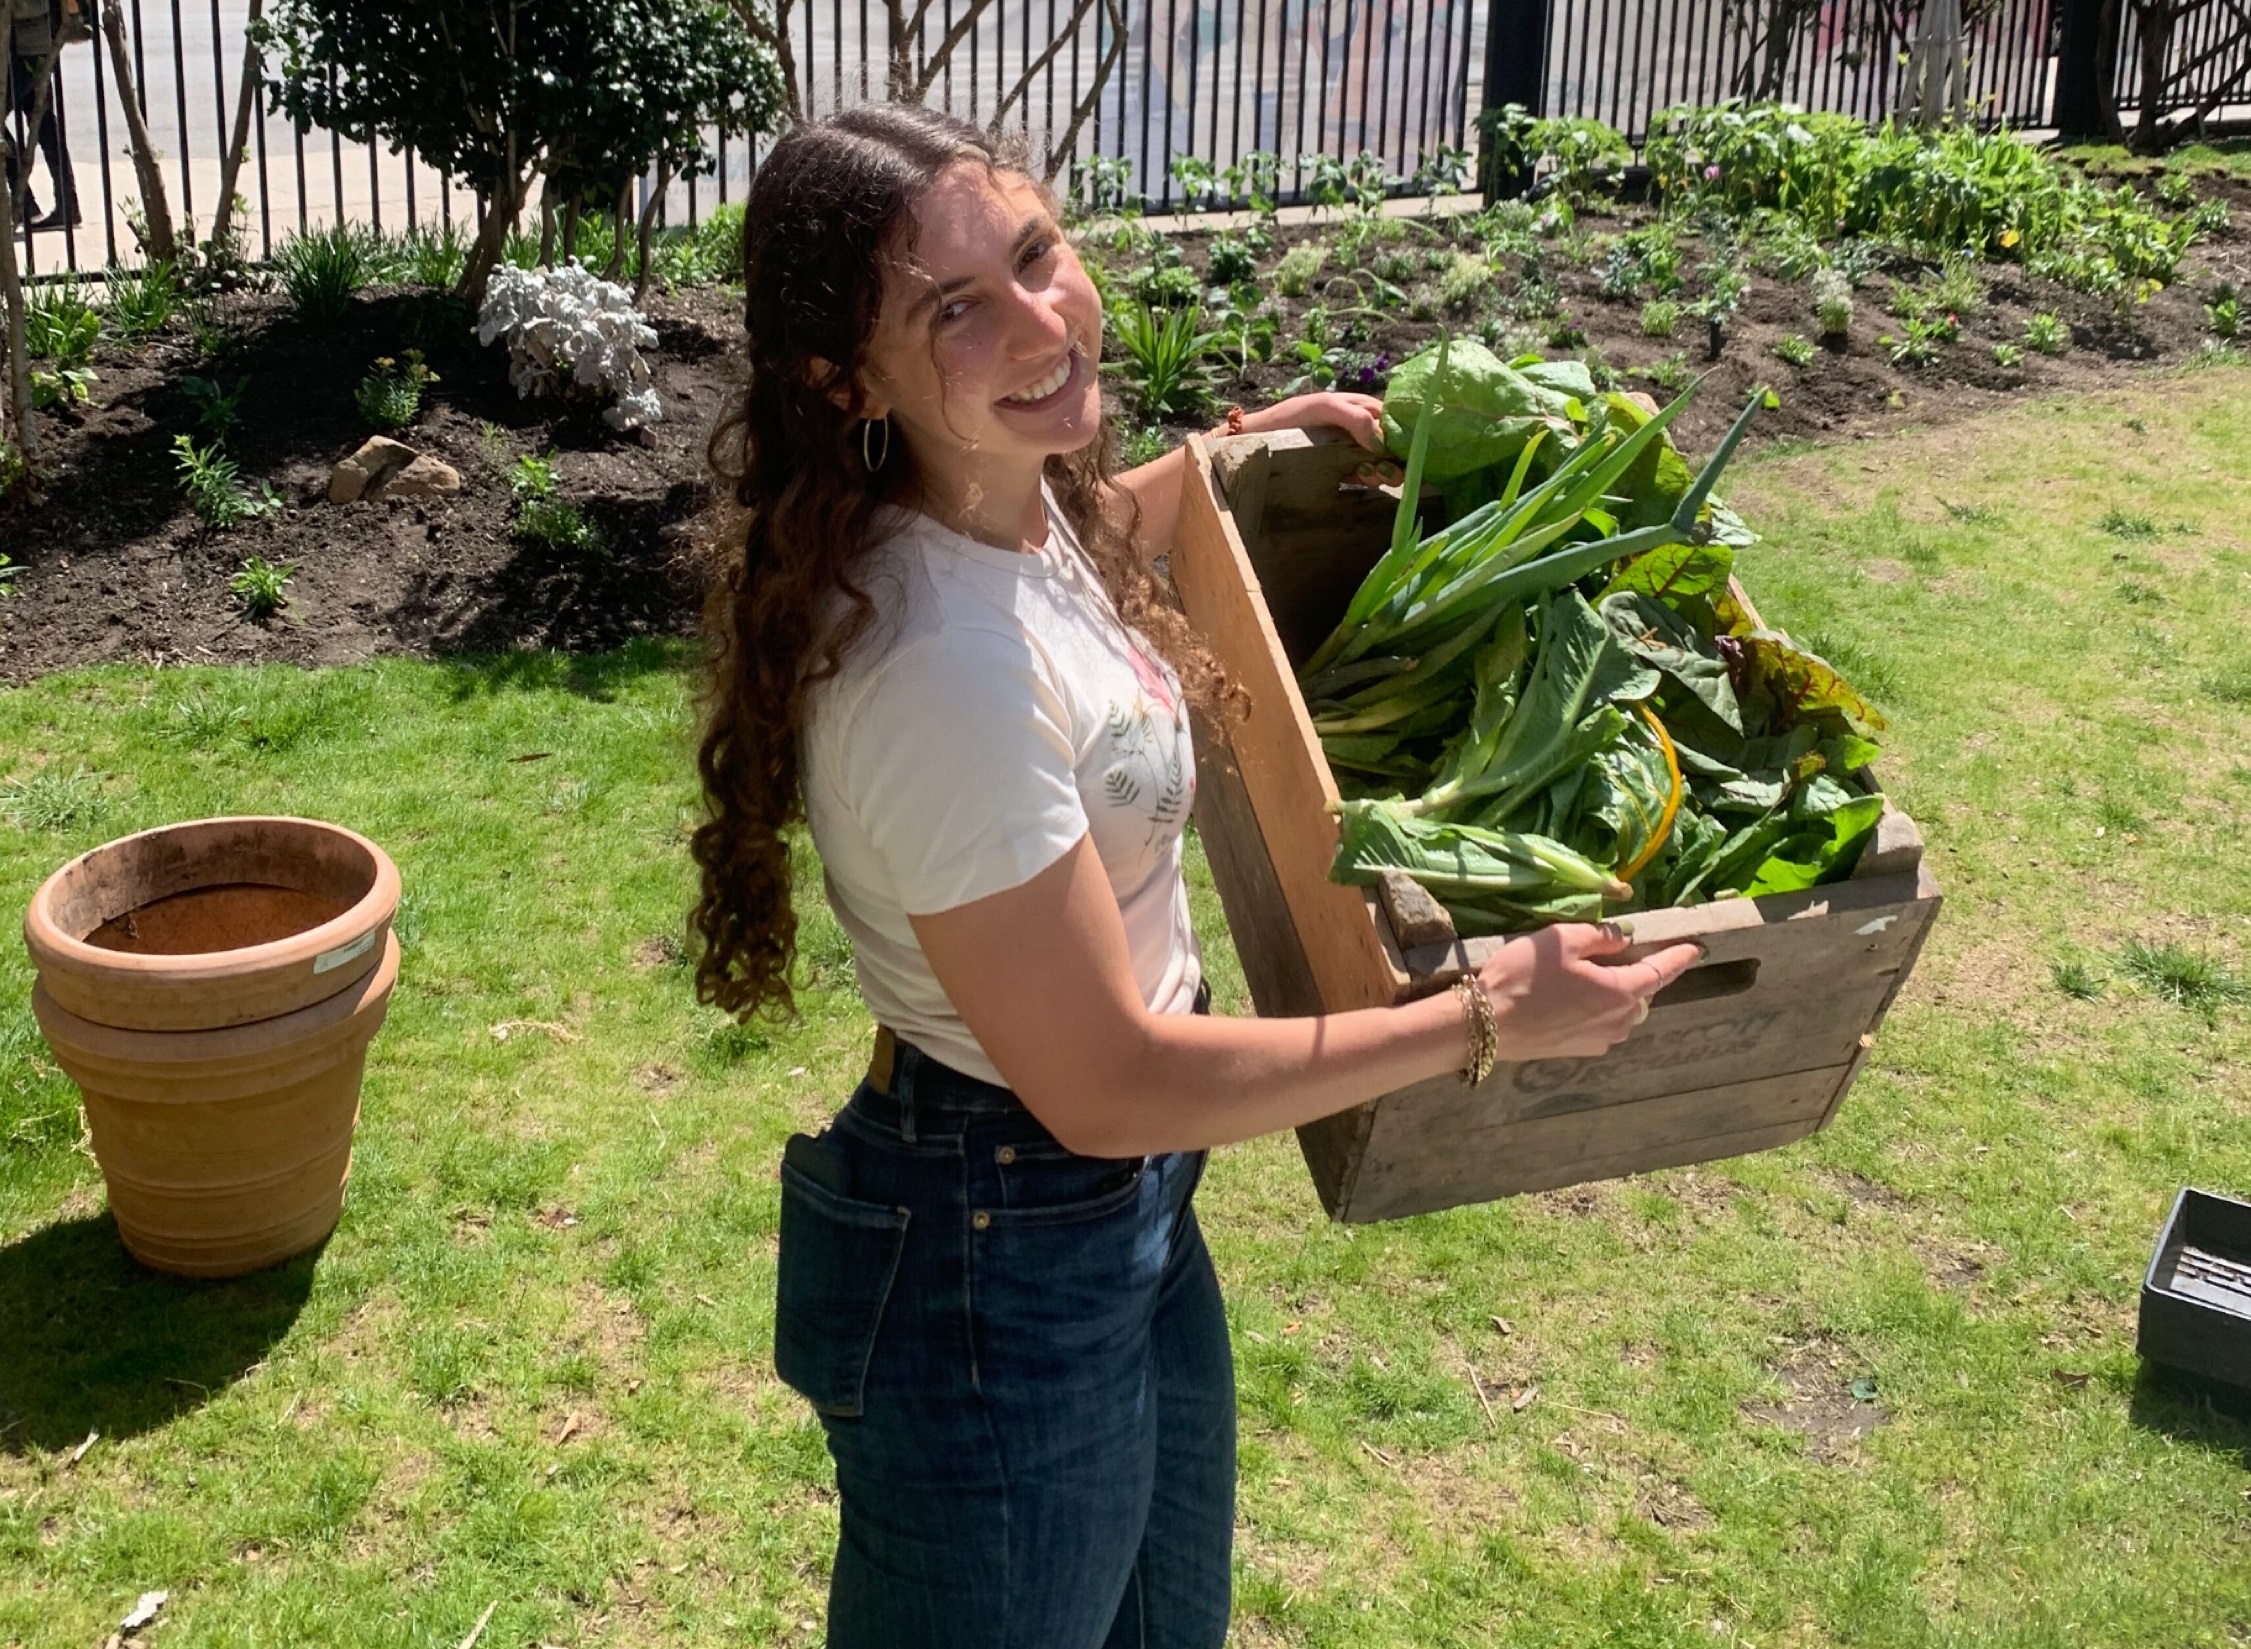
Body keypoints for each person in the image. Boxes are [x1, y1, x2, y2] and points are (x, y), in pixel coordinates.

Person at [692, 104, 1700, 1649]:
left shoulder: (999, 512)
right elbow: (1105, 1079)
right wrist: (1480, 1014)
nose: (1041, 318)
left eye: (1036, 254)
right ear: (846, 377)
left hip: (1100, 1216)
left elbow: (1094, 548)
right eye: (953, 308)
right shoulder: (938, 675)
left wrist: (1230, 454)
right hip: (1001, 1245)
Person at [6, 0, 78, 232]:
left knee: (46, 124)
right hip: (32, 47)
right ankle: (66, 204)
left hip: (25, 49)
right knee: (46, 126)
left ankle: (25, 203)